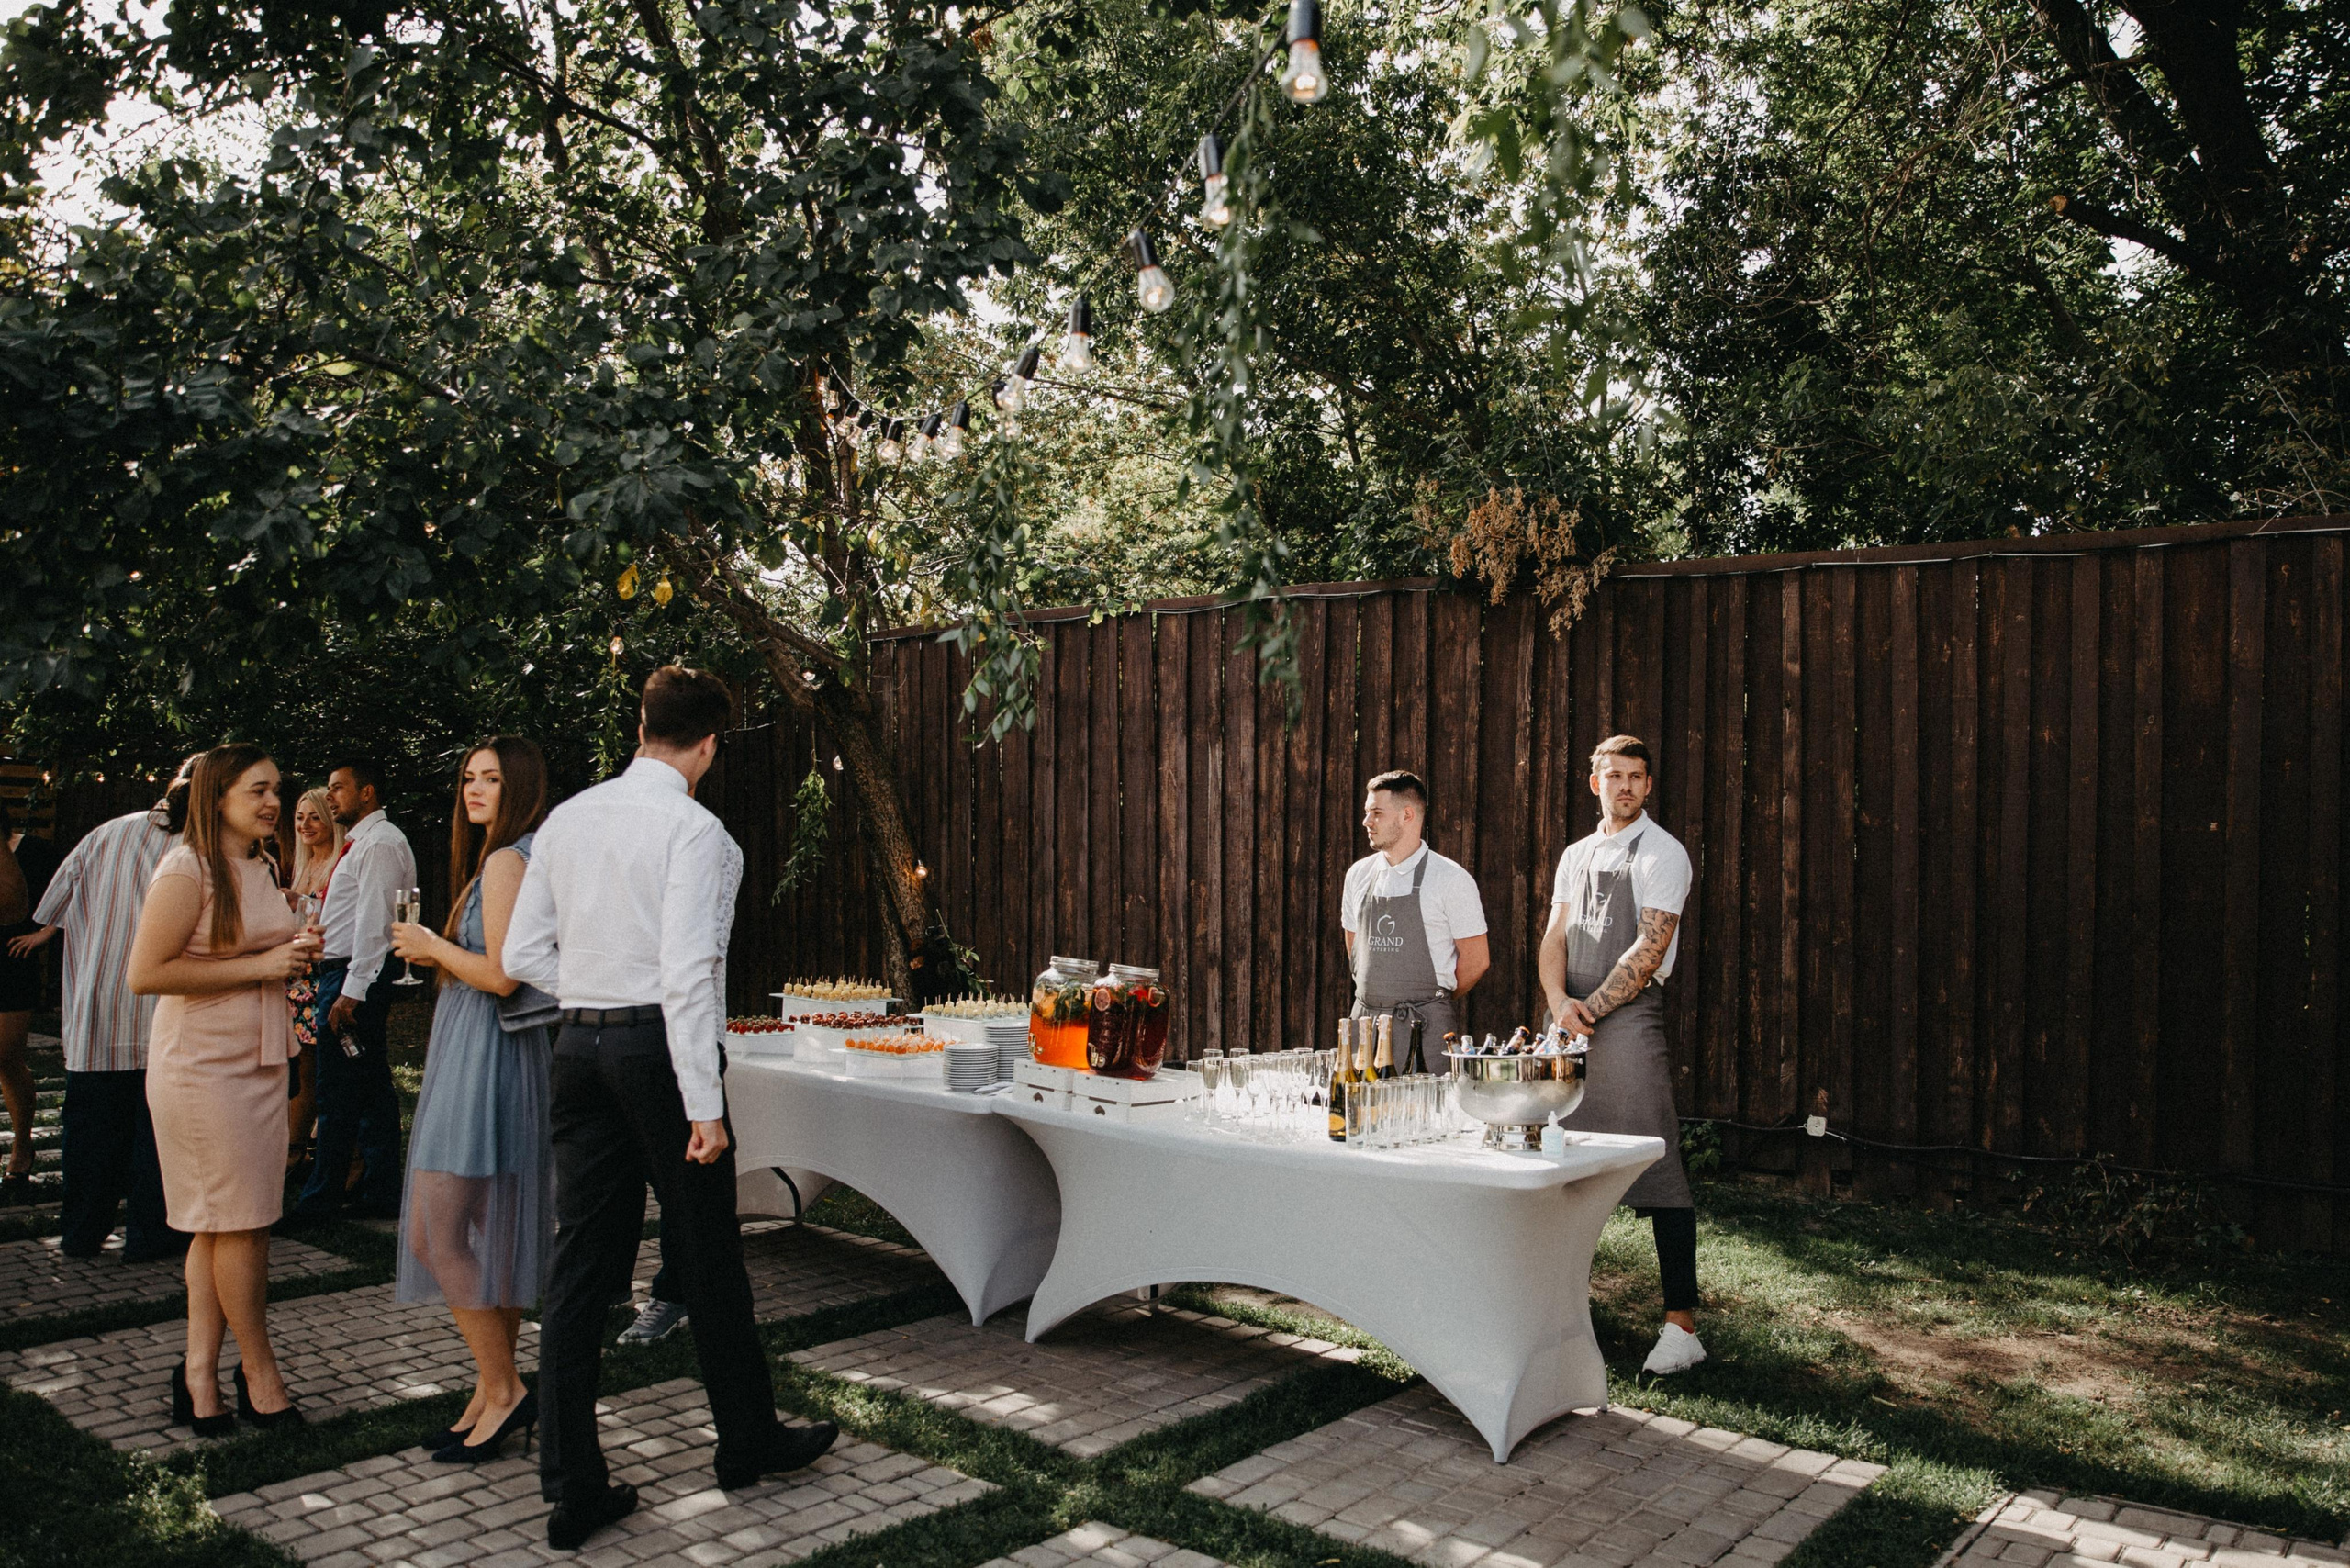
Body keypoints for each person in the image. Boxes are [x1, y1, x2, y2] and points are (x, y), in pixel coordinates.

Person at [506, 666, 835, 1552]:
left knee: (580, 1264)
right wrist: (704, 1105)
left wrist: (588, 990)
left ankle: (575, 1485)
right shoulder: (698, 833)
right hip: (660, 1055)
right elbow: (691, 974)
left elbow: (520, 948)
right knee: (706, 1250)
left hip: (577, 1047)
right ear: (710, 745)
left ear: (642, 726)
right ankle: (747, 1441)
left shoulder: (567, 819)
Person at [128, 744, 320, 1435]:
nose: (273, 803)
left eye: (276, 789)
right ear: (216, 799)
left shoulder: (261, 864)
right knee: (240, 1226)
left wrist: (296, 951)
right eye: (257, 791)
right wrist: (266, 962)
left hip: (260, 1060)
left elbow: (259, 953)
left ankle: (198, 1376)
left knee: (223, 1227)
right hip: (204, 1069)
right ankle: (261, 1374)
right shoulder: (188, 869)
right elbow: (146, 973)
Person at [385, 737, 555, 1464]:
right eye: (468, 778)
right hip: (483, 1050)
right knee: (494, 1229)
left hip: (489, 1052)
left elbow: (502, 975)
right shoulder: (511, 854)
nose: (474, 789)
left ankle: (506, 1387)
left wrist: (430, 946)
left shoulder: (507, 859)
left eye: (491, 778)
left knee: (436, 1233)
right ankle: (489, 1393)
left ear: (519, 786)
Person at [1539, 734, 1706, 1376]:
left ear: (1649, 785)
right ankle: (1555, 1304)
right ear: (1594, 783)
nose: (1626, 786)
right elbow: (1555, 935)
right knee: (1555, 1166)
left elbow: (1647, 950)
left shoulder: (1664, 854)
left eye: (1637, 776)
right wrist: (1558, 1001)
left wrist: (1587, 1011)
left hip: (1626, 1020)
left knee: (1657, 1166)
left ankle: (1681, 1327)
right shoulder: (1576, 854)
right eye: (1614, 776)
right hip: (1566, 1019)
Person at [16, 757, 198, 1259]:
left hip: (100, 1013)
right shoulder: (203, 852)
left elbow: (50, 912)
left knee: (92, 1135)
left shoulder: (103, 835)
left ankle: (81, 1233)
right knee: (158, 1137)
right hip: (166, 1016)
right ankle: (151, 1237)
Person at [294, 759, 415, 1220]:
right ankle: (379, 1191)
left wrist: (351, 991)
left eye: (338, 789)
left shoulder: (380, 844)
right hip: (342, 973)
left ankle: (321, 1198)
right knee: (368, 1088)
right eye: (327, 788)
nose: (329, 798)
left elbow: (373, 925)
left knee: (336, 1090)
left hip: (352, 977)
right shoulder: (359, 843)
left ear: (367, 793)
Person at [1341, 769, 1491, 1057]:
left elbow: (1477, 959)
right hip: (1365, 1026)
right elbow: (1354, 945)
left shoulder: (1449, 878)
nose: (1366, 822)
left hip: (1425, 1027)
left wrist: (1430, 998)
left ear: (1407, 815)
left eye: (1376, 813)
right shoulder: (1358, 875)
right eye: (1367, 812)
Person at [282, 788, 343, 1179]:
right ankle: (298, 1147)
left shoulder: (339, 863)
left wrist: (299, 902)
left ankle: (306, 1150)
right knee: (298, 1066)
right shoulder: (301, 864)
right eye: (300, 817)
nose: (305, 824)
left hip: (321, 973)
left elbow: (332, 919)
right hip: (295, 974)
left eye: (314, 817)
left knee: (316, 1067)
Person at [0, 797, 51, 1204]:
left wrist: (44, 933)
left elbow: (71, 892)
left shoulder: (32, 850)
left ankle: (22, 1144)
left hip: (12, 961)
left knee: (6, 1056)